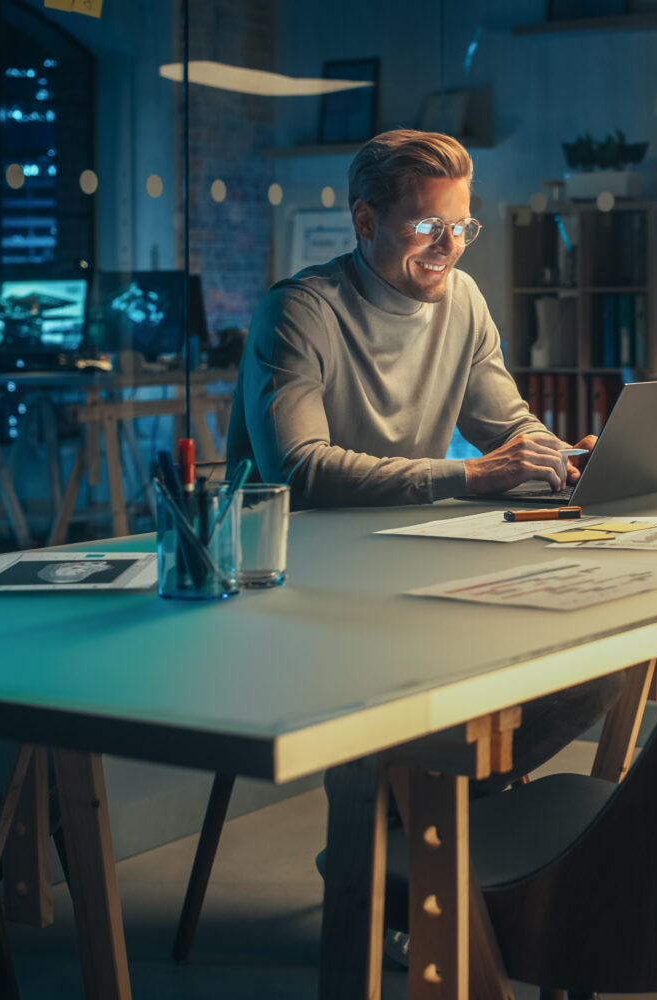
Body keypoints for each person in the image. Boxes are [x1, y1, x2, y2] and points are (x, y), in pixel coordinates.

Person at [229, 129, 620, 790]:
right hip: (300, 581)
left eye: (463, 224)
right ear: (364, 220)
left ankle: (419, 821)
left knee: (589, 671)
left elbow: (507, 425)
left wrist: (566, 456)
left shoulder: (462, 299)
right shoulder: (297, 312)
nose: (450, 246)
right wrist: (470, 474)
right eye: (429, 225)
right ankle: (404, 829)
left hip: (403, 559)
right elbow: (300, 470)